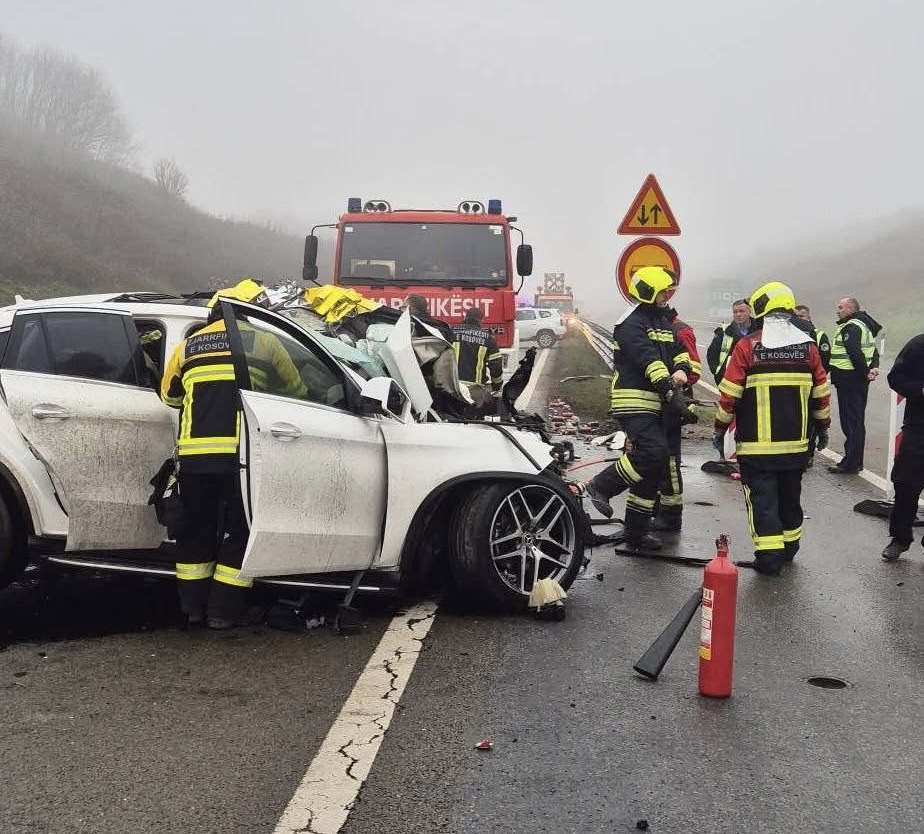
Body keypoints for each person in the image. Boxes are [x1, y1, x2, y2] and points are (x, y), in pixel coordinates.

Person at [160, 277, 305, 629]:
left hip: (194, 459)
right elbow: (296, 390)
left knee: (196, 531)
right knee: (241, 530)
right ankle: (223, 612)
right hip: (242, 459)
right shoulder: (265, 342)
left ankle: (192, 609)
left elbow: (170, 397)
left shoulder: (189, 345)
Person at [714, 281, 831, 576]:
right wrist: (823, 428)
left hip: (757, 448)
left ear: (761, 308)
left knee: (763, 501)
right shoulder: (808, 347)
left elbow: (729, 396)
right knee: (791, 497)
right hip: (797, 446)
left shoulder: (747, 346)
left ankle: (769, 559)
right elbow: (821, 393)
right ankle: (789, 549)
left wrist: (719, 428)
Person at [582, 266, 695, 550]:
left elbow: (679, 352)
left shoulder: (661, 320)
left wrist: (681, 370)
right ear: (650, 291)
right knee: (653, 452)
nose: (668, 296)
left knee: (655, 465)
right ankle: (601, 486)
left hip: (656, 402)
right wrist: (670, 388)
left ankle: (636, 531)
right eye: (665, 291)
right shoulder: (630, 323)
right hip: (633, 400)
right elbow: (648, 360)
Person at [653, 304, 702, 531]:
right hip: (656, 402)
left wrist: (674, 384)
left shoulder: (679, 331)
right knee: (656, 458)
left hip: (672, 404)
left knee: (670, 460)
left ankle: (671, 514)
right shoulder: (655, 328)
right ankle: (658, 508)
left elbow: (694, 369)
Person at [880, 333, 924, 561]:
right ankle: (900, 538)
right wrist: (921, 390)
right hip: (919, 428)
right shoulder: (919, 344)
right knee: (906, 484)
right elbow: (895, 378)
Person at [828, 297, 882, 474]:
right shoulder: (864, 325)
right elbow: (872, 350)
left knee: (851, 422)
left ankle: (850, 463)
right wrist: (872, 367)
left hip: (850, 380)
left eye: (841, 307)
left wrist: (865, 372)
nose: (838, 310)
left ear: (851, 309)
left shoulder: (852, 326)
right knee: (856, 420)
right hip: (856, 380)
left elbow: (855, 353)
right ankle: (854, 460)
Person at [452, 306, 503, 407]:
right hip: (474, 391)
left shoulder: (451, 332)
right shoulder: (488, 338)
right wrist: (496, 386)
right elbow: (496, 365)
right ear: (481, 320)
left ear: (465, 317)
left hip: (452, 387)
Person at [707, 299, 754, 385]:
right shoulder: (724, 331)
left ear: (749, 312)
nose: (738, 314)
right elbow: (712, 353)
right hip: (729, 381)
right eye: (735, 312)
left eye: (742, 311)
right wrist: (718, 374)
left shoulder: (760, 330)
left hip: (753, 380)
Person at [794, 304, 831, 372]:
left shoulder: (819, 335)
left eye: (801, 316)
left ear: (809, 318)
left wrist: (818, 376)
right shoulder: (789, 334)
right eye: (796, 316)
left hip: (813, 377)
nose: (798, 319)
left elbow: (825, 359)